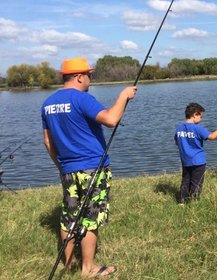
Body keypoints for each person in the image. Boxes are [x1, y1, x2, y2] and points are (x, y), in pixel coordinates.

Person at [41, 57, 137, 277]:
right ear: (78, 76)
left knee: (69, 216)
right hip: (93, 167)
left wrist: (61, 166)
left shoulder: (47, 104)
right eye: (89, 75)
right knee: (90, 218)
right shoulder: (82, 99)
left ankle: (69, 263)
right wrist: (123, 96)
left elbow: (47, 142)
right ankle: (88, 268)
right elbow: (111, 119)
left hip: (68, 169)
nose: (90, 79)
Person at [174, 103, 217, 204]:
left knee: (185, 180)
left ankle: (181, 202)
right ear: (195, 114)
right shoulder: (197, 128)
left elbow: (177, 142)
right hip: (198, 161)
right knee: (196, 183)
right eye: (201, 116)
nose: (201, 119)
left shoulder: (179, 128)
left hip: (185, 161)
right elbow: (212, 136)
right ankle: (194, 202)